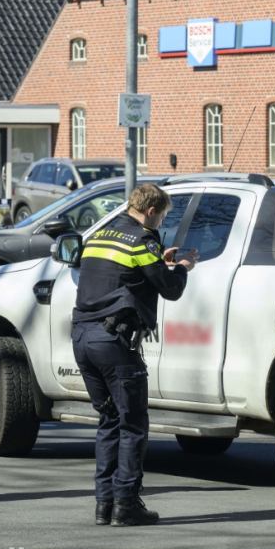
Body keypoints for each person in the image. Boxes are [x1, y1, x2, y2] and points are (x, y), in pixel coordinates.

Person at [72, 184, 198, 526]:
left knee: (109, 419)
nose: (161, 222)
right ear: (150, 211)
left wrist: (160, 263)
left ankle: (104, 505)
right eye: (162, 216)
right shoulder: (143, 240)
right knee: (132, 424)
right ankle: (126, 504)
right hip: (113, 343)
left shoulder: (99, 236)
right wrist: (182, 266)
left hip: (82, 338)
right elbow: (170, 289)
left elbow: (120, 276)